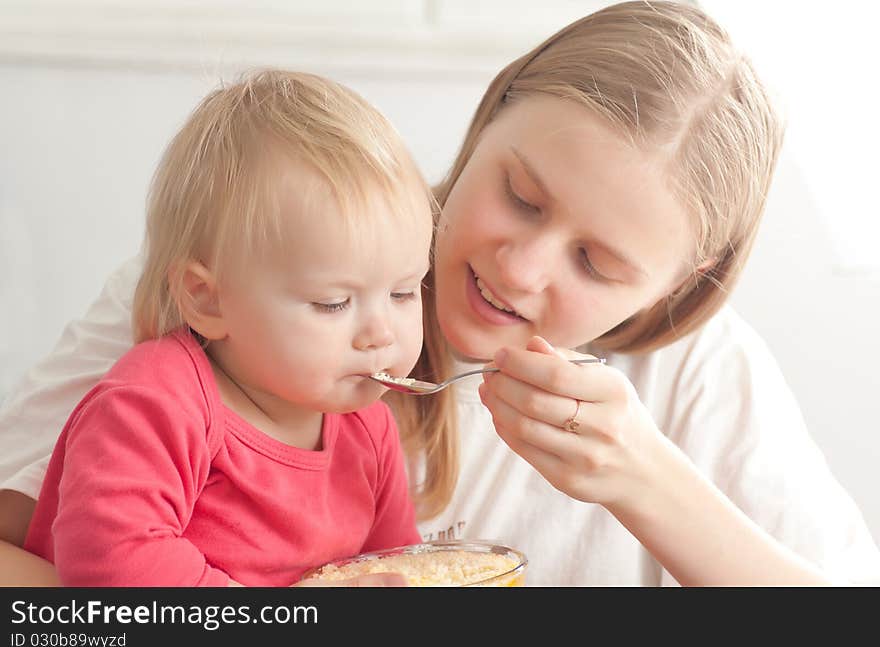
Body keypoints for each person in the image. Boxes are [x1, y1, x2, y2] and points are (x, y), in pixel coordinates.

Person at [2, 1, 879, 586]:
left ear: (674, 289)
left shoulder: (700, 375)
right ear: (486, 115)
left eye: (597, 264)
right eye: (521, 195)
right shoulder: (250, 279)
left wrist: (645, 482)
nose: (523, 267)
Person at [14, 69, 438, 586]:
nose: (382, 333)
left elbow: (394, 566)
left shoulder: (369, 431)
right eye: (333, 302)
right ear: (206, 299)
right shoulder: (155, 402)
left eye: (402, 292)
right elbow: (112, 559)